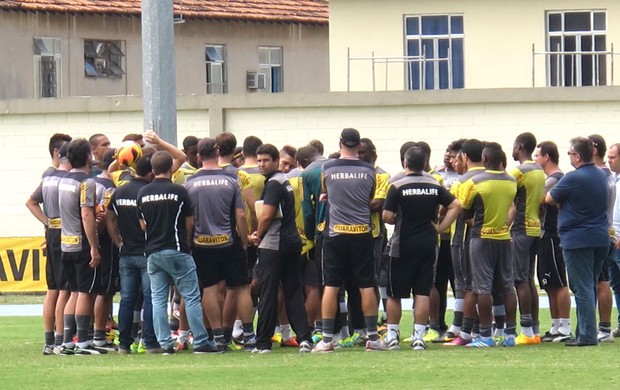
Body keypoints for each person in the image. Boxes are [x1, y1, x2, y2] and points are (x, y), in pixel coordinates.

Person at [137, 150, 219, 354]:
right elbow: (190, 221)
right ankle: (200, 341)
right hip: (176, 248)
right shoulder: (179, 191)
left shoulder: (143, 193)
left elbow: (143, 225)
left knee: (158, 299)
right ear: (170, 168)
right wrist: (187, 242)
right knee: (191, 296)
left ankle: (164, 343)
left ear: (153, 170)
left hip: (153, 252)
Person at [313, 128, 386, 352]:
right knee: (366, 285)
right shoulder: (369, 170)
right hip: (361, 233)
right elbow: (371, 198)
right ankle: (372, 337)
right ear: (358, 145)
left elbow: (326, 194)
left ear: (340, 142)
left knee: (331, 286)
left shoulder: (327, 168)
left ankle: (327, 339)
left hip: (335, 233)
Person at [383, 146, 461, 351]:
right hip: (428, 244)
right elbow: (456, 205)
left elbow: (387, 216)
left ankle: (392, 335)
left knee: (394, 293)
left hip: (401, 245)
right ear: (424, 163)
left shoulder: (397, 185)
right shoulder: (435, 184)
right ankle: (419, 336)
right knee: (422, 292)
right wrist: (441, 227)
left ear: (405, 163)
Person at [185, 137, 256, 350]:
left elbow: (189, 220)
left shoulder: (190, 183)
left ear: (198, 155)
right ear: (217, 152)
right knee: (242, 287)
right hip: (228, 241)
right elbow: (241, 215)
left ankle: (217, 337)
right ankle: (249, 334)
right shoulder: (231, 180)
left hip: (202, 243)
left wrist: (191, 241)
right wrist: (244, 241)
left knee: (209, 289)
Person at [249, 144, 313, 353]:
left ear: (276, 161)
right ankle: (304, 338)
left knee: (267, 292)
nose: (261, 164)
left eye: (265, 160)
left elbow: (267, 215)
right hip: (292, 241)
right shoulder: (284, 181)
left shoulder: (274, 184)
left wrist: (257, 235)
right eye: (259, 160)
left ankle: (263, 343)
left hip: (274, 244)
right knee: (293, 291)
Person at [545, 137, 609, 346]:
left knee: (582, 288)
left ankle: (587, 336)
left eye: (570, 154)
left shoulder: (573, 178)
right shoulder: (601, 175)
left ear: (578, 156)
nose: (569, 157)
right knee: (589, 285)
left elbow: (549, 199)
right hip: (599, 237)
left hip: (577, 238)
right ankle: (584, 331)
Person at [457, 142, 518, 348]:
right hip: (503, 237)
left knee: (483, 288)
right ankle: (510, 334)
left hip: (481, 237)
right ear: (502, 161)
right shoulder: (511, 182)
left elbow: (464, 210)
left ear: (484, 160)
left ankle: (485, 335)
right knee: (508, 287)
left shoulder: (474, 181)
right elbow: (512, 208)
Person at [106, 154, 160, 354]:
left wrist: (117, 241)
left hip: (126, 252)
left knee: (127, 299)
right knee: (150, 298)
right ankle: (150, 342)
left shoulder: (120, 191)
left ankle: (124, 344)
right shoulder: (147, 192)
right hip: (147, 252)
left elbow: (110, 219)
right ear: (151, 173)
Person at [26, 134, 72, 354]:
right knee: (63, 288)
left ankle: (50, 341)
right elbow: (32, 202)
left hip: (52, 235)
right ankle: (59, 339)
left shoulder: (49, 177)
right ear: (58, 152)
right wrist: (51, 223)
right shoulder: (55, 176)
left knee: (54, 288)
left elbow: (30, 202)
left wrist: (48, 224)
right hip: (62, 236)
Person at [56, 138, 102, 355]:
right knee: (84, 292)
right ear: (87, 157)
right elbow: (85, 214)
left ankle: (66, 342)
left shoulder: (62, 181)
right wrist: (94, 246)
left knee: (73, 292)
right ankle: (82, 342)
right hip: (81, 243)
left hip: (65, 243)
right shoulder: (87, 182)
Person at [443, 139, 487, 346]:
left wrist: (439, 226)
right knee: (488, 286)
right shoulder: (494, 178)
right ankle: (488, 330)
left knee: (467, 286)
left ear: (465, 157)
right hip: (494, 237)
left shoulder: (462, 183)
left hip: (464, 239)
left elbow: (452, 208)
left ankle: (466, 332)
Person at [533, 141, 572, 342]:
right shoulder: (548, 178)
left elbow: (538, 199)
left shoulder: (555, 179)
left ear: (546, 157)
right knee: (548, 283)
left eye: (537, 156)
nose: (534, 160)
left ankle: (565, 326)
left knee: (558, 281)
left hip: (553, 234)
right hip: (544, 235)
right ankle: (556, 324)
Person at [510, 132, 546, 345]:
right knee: (528, 278)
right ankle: (534, 329)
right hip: (535, 228)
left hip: (520, 228)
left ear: (520, 146)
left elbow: (508, 197)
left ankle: (525, 330)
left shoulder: (518, 172)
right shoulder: (539, 170)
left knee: (519, 279)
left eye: (514, 146)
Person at [588, 134, 616, 343]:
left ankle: (604, 327)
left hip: (604, 235)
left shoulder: (602, 175)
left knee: (601, 281)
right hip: (604, 233)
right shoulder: (610, 177)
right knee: (609, 281)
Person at [607, 142, 620, 336]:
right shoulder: (613, 180)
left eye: (612, 157)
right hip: (611, 238)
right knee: (616, 284)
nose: (609, 161)